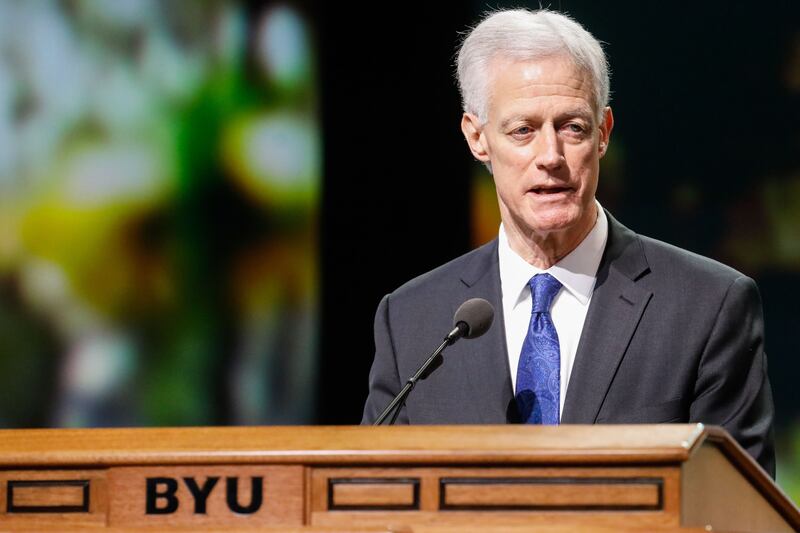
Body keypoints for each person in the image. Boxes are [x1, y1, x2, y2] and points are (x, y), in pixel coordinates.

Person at [360, 9, 775, 476]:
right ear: (477, 138)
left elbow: (739, 510)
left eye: (572, 127)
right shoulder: (412, 319)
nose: (551, 156)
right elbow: (373, 498)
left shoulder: (707, 305)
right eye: (523, 130)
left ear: (603, 134)